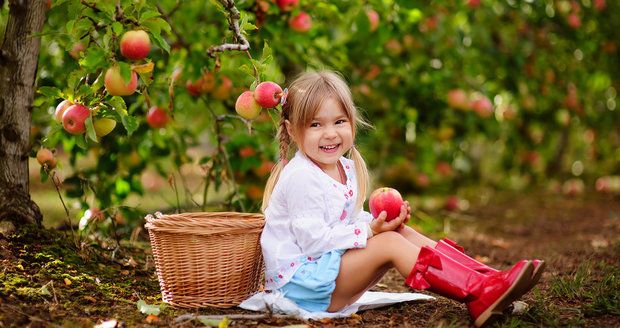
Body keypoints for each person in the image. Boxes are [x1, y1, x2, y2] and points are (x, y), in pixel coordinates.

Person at [259, 70, 545, 327]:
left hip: (324, 276)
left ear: (351, 121)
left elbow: (346, 220)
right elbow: (314, 241)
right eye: (315, 125)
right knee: (390, 242)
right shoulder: (300, 177)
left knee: (396, 231)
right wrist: (372, 231)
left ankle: (489, 280)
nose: (330, 133)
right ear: (292, 130)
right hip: (301, 287)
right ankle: (476, 293)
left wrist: (381, 222)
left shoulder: (343, 167)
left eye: (339, 121)